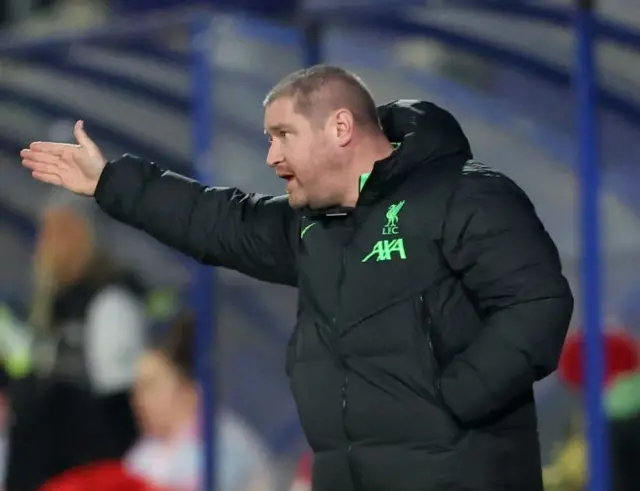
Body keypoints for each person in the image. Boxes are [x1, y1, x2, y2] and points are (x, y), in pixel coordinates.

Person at [21, 64, 574, 491]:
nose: (270, 155)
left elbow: (537, 306)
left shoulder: (464, 194)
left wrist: (447, 404)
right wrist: (110, 183)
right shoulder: (312, 228)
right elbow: (216, 220)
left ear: (340, 127)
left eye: (282, 134)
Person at [5, 203, 146, 491]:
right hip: (51, 458)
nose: (42, 246)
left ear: (77, 235)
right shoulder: (57, 300)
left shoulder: (109, 298)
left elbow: (116, 391)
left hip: (85, 460)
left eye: (53, 234)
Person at [125, 311, 275, 491]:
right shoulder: (141, 456)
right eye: (136, 389)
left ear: (189, 387)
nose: (137, 400)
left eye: (150, 386)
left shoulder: (221, 443)